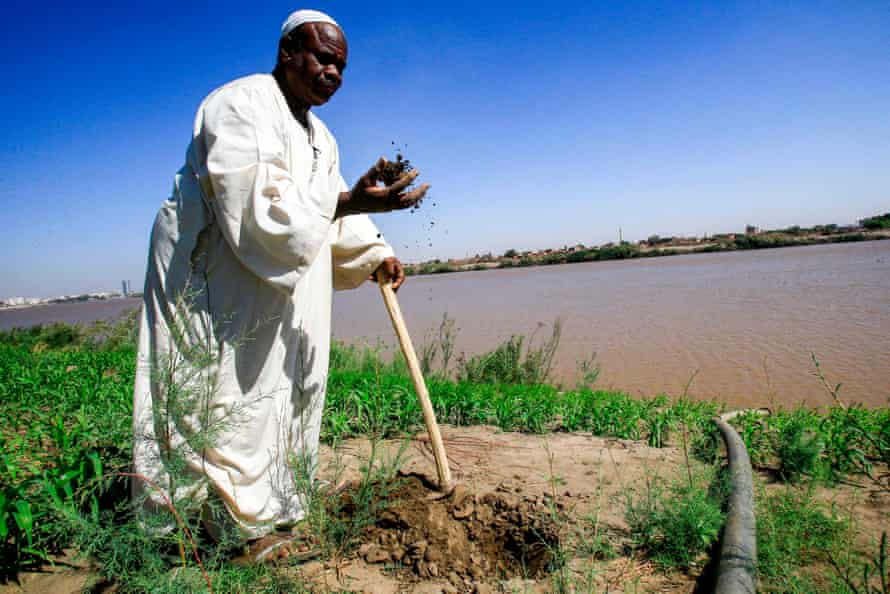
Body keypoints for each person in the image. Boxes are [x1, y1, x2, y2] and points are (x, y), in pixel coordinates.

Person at [131, 8, 428, 559]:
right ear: (288, 52)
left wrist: (375, 252)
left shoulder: (322, 137)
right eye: (322, 58)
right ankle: (220, 530)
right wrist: (349, 202)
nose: (333, 74)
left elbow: (332, 206)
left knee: (284, 388)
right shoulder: (239, 105)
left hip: (282, 284)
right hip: (215, 272)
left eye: (341, 66)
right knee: (223, 391)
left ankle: (272, 506)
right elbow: (257, 209)